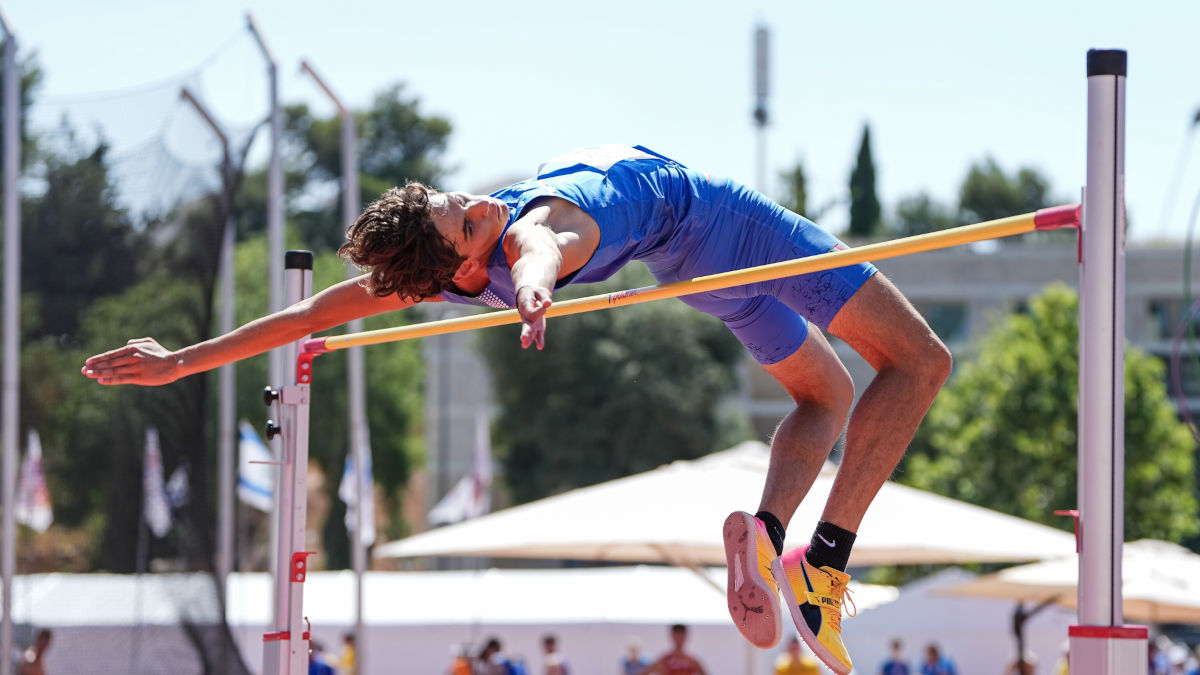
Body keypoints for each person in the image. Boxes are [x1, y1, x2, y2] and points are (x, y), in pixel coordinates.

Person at [82, 145, 950, 675]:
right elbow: (545, 243)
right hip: (729, 227)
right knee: (919, 362)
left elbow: (314, 313)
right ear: (459, 270)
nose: (479, 202)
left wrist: (184, 360)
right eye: (464, 219)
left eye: (459, 197)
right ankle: (824, 563)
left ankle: (768, 531)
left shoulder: (444, 270)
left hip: (689, 268)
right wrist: (535, 288)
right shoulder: (530, 229)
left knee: (826, 395)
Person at [641, 624, 708, 675]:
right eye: (676, 633)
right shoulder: (664, 660)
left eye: (681, 634)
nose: (679, 637)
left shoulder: (692, 661)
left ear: (686, 636)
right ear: (672, 635)